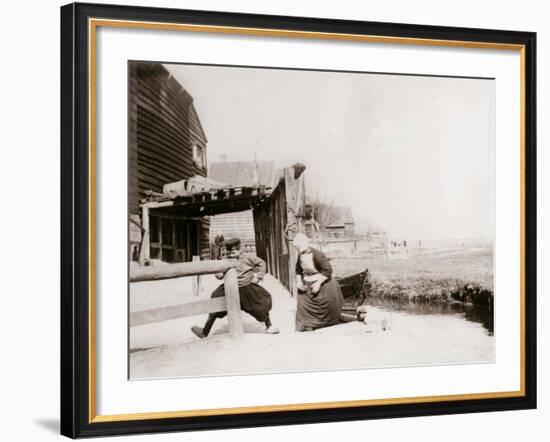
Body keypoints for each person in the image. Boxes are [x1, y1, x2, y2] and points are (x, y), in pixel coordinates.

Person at [191, 237, 279, 338]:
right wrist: (218, 271)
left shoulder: (248, 257)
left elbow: (261, 263)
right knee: (215, 301)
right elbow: (219, 276)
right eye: (230, 252)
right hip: (229, 287)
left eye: (235, 251)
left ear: (239, 249)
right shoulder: (226, 260)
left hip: (246, 287)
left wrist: (258, 277)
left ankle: (269, 326)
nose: (233, 254)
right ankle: (204, 331)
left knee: (260, 302)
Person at [292, 233, 344, 332]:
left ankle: (325, 324)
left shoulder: (317, 254)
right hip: (307, 280)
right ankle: (305, 325)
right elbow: (298, 270)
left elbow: (328, 270)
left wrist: (318, 283)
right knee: (302, 304)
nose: (298, 249)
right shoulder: (300, 255)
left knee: (326, 304)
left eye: (298, 246)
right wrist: (299, 282)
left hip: (321, 280)